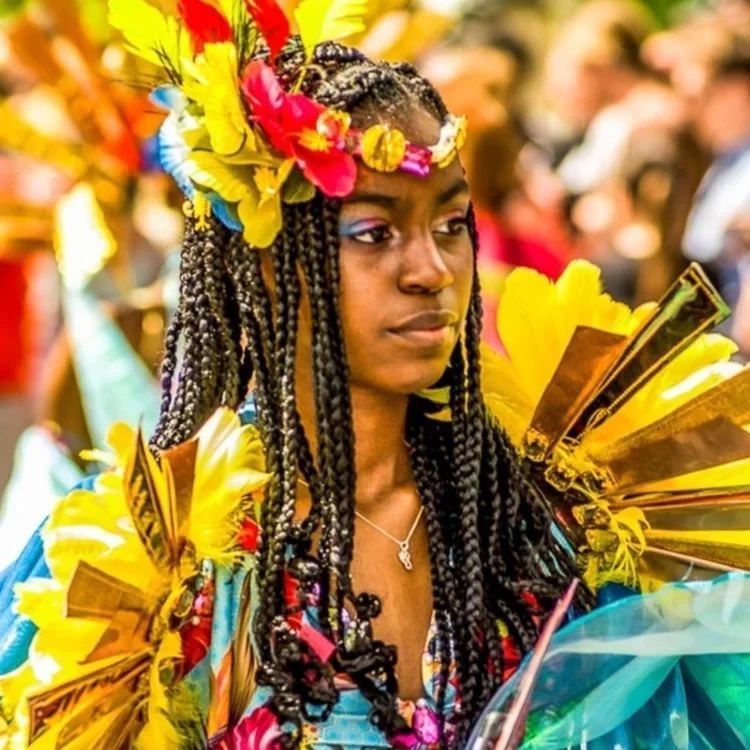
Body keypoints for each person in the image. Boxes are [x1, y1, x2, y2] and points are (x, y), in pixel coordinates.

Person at [2, 1, 750, 749]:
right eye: (375, 232)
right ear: (269, 267)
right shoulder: (156, 581)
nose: (431, 270)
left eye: (451, 225)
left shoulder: (553, 516)